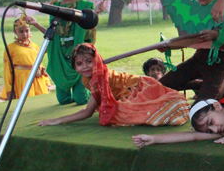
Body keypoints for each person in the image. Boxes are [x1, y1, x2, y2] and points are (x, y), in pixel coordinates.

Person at [38, 44, 191, 127]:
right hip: (131, 91)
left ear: (97, 61)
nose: (84, 66)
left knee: (124, 114)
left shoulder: (99, 78)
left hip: (140, 88)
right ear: (74, 67)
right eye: (79, 63)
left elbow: (88, 112)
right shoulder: (86, 78)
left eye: (89, 61)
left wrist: (58, 120)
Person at [30, 0, 105, 105]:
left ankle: (95, 93)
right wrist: (36, 24)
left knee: (81, 99)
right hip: (61, 58)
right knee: (63, 100)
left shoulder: (85, 6)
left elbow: (89, 29)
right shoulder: (54, 8)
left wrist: (96, 13)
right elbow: (53, 34)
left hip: (78, 57)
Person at [158, 0, 224, 100]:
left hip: (217, 65)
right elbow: (188, 41)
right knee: (160, 86)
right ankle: (201, 85)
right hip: (197, 60)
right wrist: (169, 46)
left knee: (204, 103)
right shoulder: (195, 15)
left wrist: (216, 35)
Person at [0, 15, 51, 100]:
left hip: (37, 79)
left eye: (27, 31)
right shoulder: (11, 48)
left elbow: (40, 64)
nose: (24, 34)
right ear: (15, 32)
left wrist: (46, 81)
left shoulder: (35, 46)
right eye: (21, 31)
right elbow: (7, 70)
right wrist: (9, 89)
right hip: (22, 80)